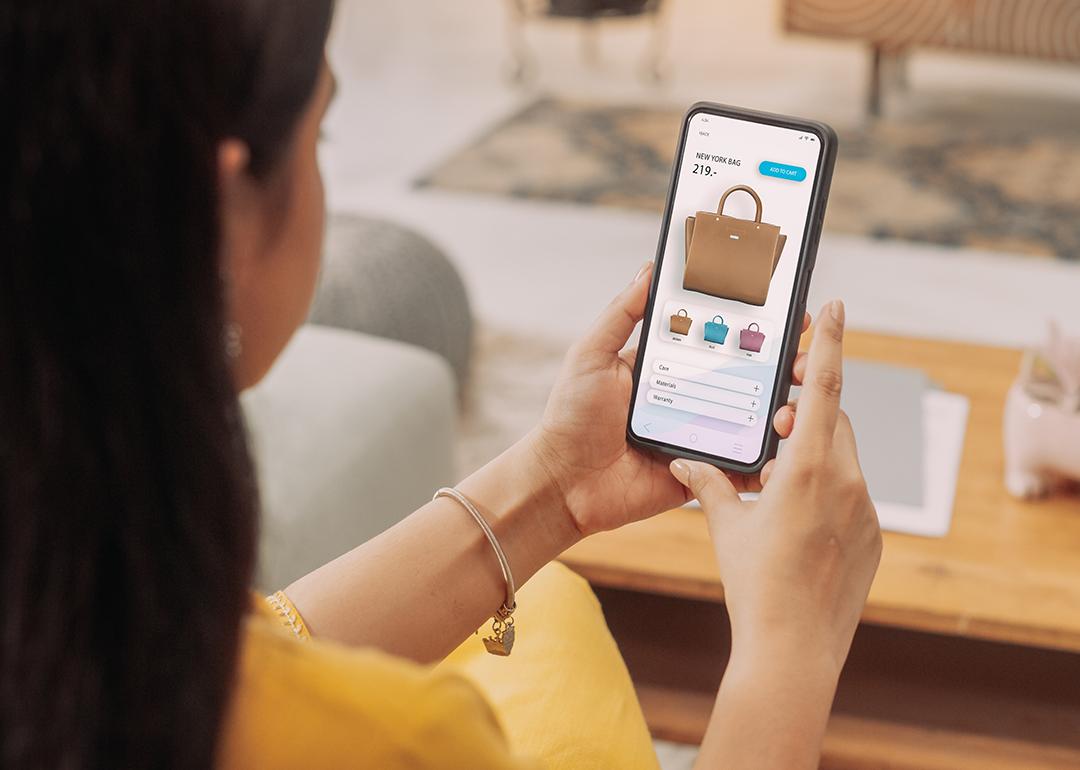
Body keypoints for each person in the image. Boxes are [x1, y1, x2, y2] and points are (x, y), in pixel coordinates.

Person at [0, 1, 882, 768]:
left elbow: (257, 647)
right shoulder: (405, 744)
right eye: (321, 135)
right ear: (221, 218)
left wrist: (556, 487)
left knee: (551, 603)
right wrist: (787, 651)